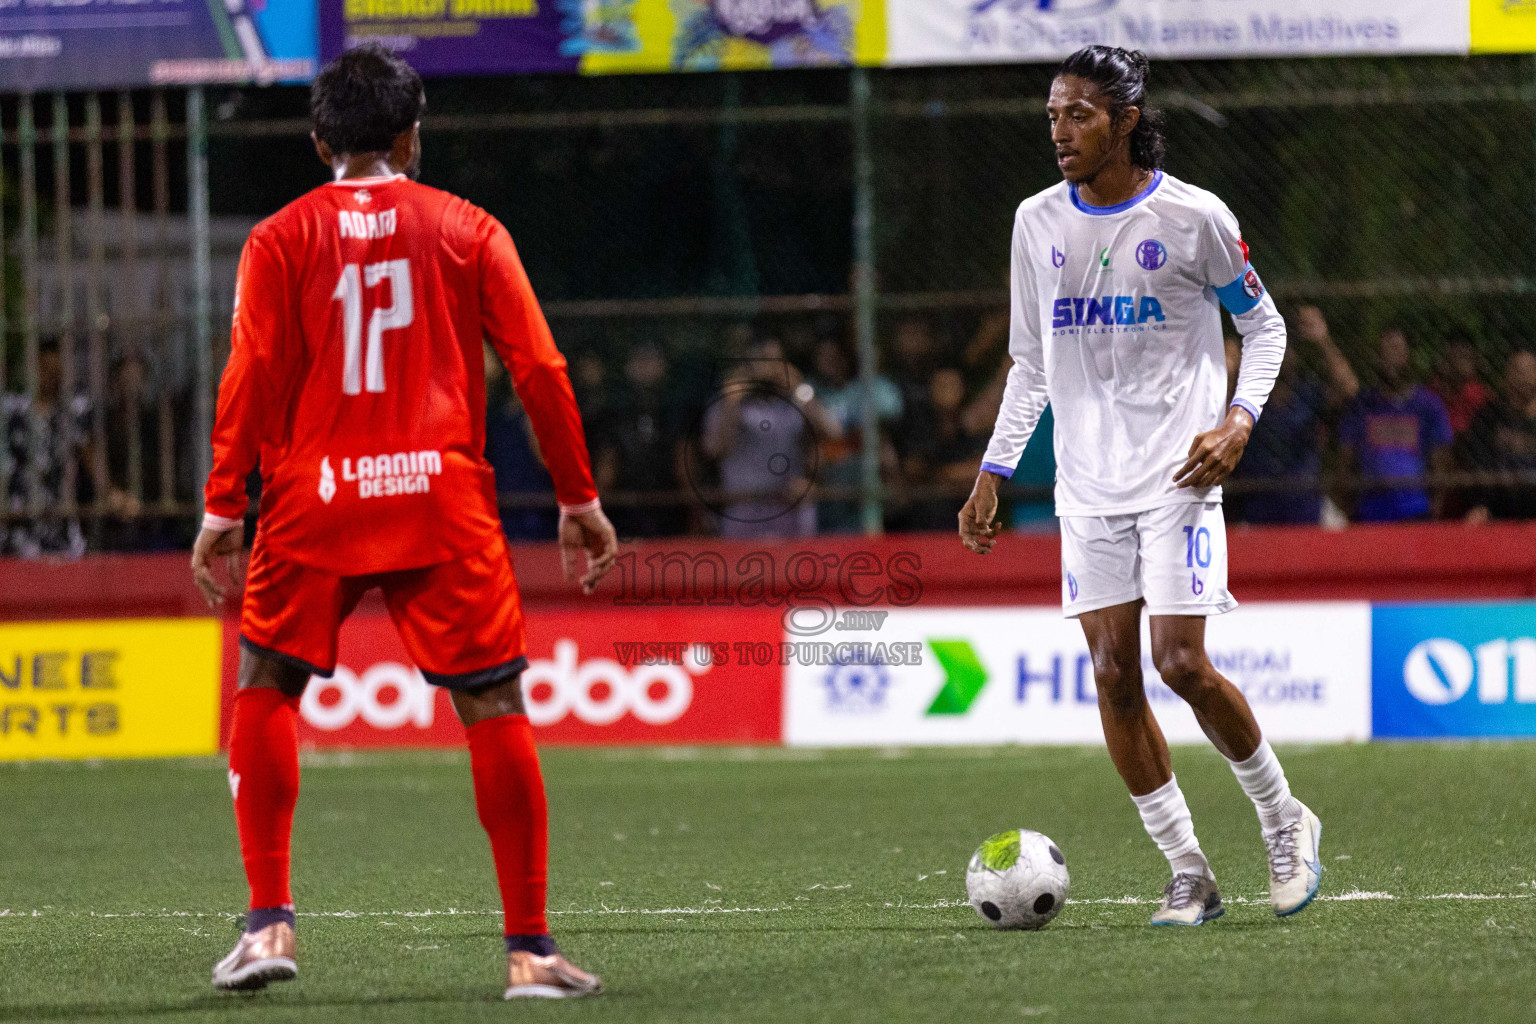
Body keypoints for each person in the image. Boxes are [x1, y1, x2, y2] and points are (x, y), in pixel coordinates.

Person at [189, 45, 617, 1000]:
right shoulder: (468, 227)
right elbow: (540, 370)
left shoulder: (277, 238)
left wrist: (224, 506)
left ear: (318, 143)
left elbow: (248, 376)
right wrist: (578, 496)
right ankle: (530, 952)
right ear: (412, 137)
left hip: (313, 500)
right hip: (440, 496)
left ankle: (267, 930)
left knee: (264, 685)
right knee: (493, 708)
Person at [959, 46, 1320, 927]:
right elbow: (1029, 364)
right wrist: (994, 469)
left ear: (1125, 120)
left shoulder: (1194, 217)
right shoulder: (1035, 223)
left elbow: (1264, 330)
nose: (1060, 131)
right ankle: (1189, 871)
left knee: (1180, 663)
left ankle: (1284, 818)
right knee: (1114, 672)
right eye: (1051, 115)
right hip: (1087, 489)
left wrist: (1237, 422)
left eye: (1078, 114)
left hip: (1179, 478)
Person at [1227, 305, 1359, 525]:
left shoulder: (1309, 393)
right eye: (1273, 348)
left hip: (1306, 505)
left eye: (1286, 348)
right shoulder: (1247, 395)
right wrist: (1231, 372)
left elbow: (1349, 389)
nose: (1280, 354)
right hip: (1255, 509)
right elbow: (1218, 422)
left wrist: (1323, 340)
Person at [700, 335, 839, 538]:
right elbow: (714, 450)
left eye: (775, 361)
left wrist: (800, 390)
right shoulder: (727, 403)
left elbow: (833, 431)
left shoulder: (796, 400)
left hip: (791, 510)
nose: (768, 368)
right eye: (762, 360)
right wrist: (731, 403)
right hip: (744, 511)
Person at [1338, 328, 1454, 522]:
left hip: (1415, 509)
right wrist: (1347, 507)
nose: (1391, 357)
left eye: (1397, 350)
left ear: (1409, 356)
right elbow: (1345, 458)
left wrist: (1435, 508)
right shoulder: (1362, 405)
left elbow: (1441, 461)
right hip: (1369, 511)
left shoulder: (1428, 405)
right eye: (1385, 351)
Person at [2, 338, 95, 559]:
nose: (50, 376)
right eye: (44, 369)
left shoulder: (73, 412)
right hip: (18, 519)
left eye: (56, 370)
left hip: (59, 519)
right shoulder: (12, 410)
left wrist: (110, 494)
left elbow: (89, 456)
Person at [1461, 348, 1536, 522]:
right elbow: (1479, 464)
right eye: (1517, 371)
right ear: (1506, 377)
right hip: (1498, 505)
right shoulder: (1488, 417)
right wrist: (1480, 504)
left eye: (1529, 370)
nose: (1523, 377)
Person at [1430, 333, 1492, 436]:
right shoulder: (1433, 390)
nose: (1466, 362)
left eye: (1469, 357)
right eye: (1461, 356)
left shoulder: (1480, 394)